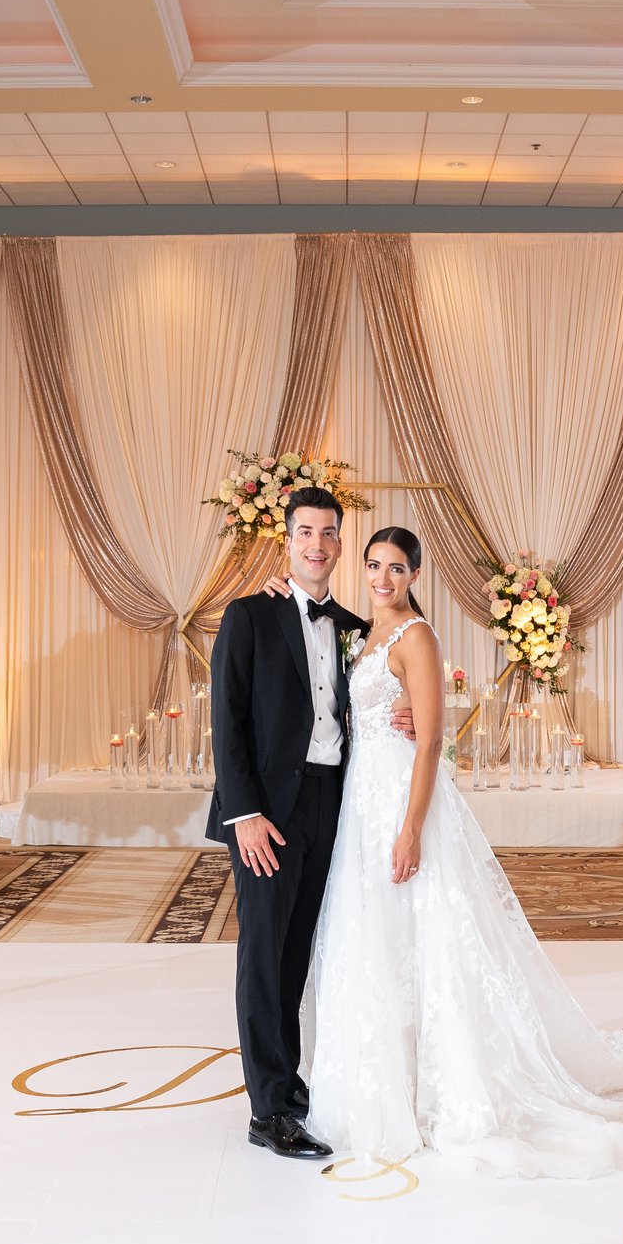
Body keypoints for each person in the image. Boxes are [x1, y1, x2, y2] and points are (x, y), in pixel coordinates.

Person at [297, 526, 623, 1178]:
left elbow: (429, 743)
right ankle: (384, 1084)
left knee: (426, 945)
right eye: (373, 565)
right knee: (379, 946)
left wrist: (411, 827)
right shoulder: (363, 632)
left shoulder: (414, 637)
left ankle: (443, 1092)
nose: (382, 578)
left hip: (399, 801)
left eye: (396, 568)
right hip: (361, 806)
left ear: (414, 576)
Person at [204, 488, 404, 1160]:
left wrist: (405, 713)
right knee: (263, 954)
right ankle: (271, 1110)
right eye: (305, 532)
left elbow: (399, 670)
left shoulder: (353, 624)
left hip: (333, 803)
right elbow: (227, 722)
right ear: (286, 539)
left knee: (301, 955)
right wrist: (245, 814)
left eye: (328, 533)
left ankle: (292, 1087)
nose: (316, 543)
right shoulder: (248, 616)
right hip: (265, 811)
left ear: (341, 544)